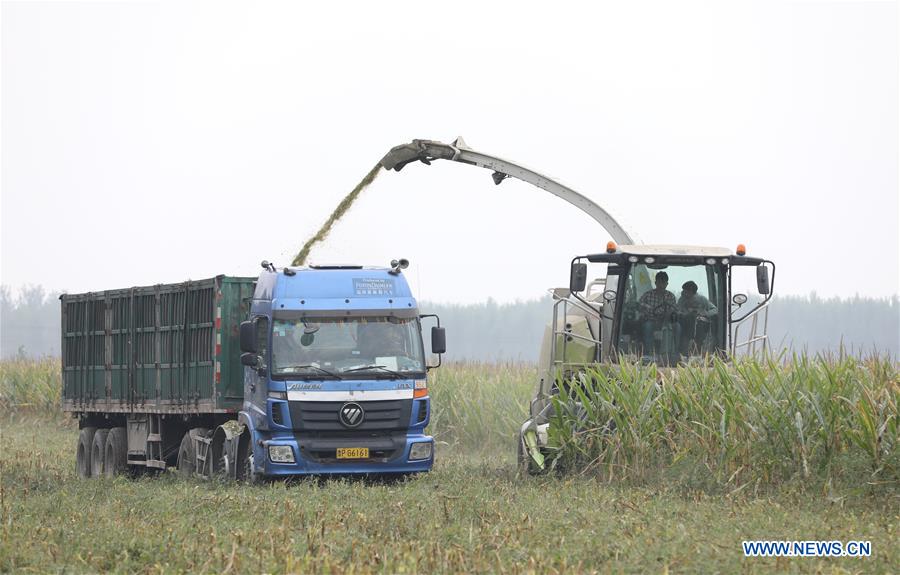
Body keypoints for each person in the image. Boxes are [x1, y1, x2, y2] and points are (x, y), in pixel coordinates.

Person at [638, 272, 679, 355]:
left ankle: (675, 352)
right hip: (652, 321)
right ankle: (648, 353)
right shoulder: (648, 295)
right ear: (656, 283)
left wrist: (669, 313)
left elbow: (674, 309)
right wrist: (650, 309)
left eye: (663, 283)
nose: (661, 285)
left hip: (667, 322)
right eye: (659, 282)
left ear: (667, 284)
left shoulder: (670, 296)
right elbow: (640, 305)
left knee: (678, 327)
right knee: (647, 326)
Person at [677, 281, 717, 354]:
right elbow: (678, 311)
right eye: (684, 291)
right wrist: (684, 314)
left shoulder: (702, 299)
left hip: (700, 326)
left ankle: (697, 352)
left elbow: (715, 310)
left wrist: (705, 313)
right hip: (685, 326)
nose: (684, 293)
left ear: (692, 292)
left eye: (686, 291)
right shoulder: (682, 300)